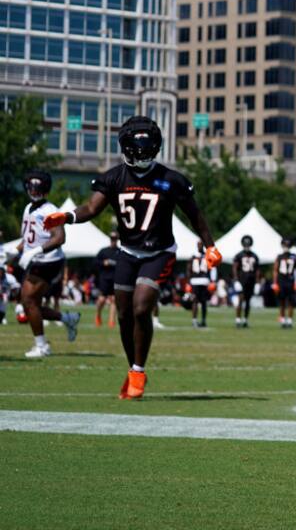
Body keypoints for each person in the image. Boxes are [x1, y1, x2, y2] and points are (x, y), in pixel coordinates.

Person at [44, 116, 220, 398]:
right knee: (125, 315)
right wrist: (66, 216)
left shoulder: (170, 179)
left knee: (141, 308)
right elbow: (91, 207)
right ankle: (133, 368)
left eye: (146, 150)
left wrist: (210, 245)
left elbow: (195, 215)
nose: (141, 155)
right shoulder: (114, 177)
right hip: (126, 252)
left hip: (160, 253)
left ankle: (138, 370)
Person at [15, 171, 78, 358]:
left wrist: (35, 251)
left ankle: (42, 346)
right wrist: (14, 251)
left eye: (38, 187)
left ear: (45, 189)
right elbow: (29, 237)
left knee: (28, 301)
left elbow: (60, 238)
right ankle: (67, 318)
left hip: (48, 261)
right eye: (31, 186)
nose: (34, 190)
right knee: (29, 304)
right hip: (35, 260)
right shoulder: (28, 208)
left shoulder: (50, 210)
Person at [272, 239, 296, 328]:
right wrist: (275, 282)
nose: (286, 248)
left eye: (287, 246)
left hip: (291, 280)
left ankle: (289, 320)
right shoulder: (279, 257)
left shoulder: (295, 256)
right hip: (281, 281)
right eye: (285, 245)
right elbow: (275, 270)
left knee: (291, 302)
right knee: (282, 302)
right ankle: (282, 319)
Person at [187, 240, 217, 328]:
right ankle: (194, 320)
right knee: (195, 301)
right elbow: (188, 270)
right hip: (195, 281)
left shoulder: (207, 256)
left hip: (204, 281)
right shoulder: (193, 256)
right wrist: (188, 282)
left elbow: (212, 268)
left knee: (204, 302)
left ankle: (203, 320)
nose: (199, 246)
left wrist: (212, 281)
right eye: (198, 244)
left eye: (201, 244)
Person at [232, 235, 259, 328]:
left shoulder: (254, 256)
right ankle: (238, 319)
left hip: (251, 281)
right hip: (242, 280)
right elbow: (235, 268)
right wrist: (236, 280)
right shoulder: (239, 255)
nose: (247, 246)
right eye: (245, 244)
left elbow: (257, 270)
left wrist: (257, 283)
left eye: (248, 244)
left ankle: (245, 320)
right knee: (240, 299)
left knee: (248, 301)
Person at [94, 231, 120, 328]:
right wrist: (103, 263)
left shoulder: (120, 251)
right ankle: (98, 315)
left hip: (115, 278)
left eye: (115, 239)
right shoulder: (103, 251)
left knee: (114, 300)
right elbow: (95, 262)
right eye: (112, 239)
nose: (113, 241)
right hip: (104, 278)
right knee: (102, 299)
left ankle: (111, 322)